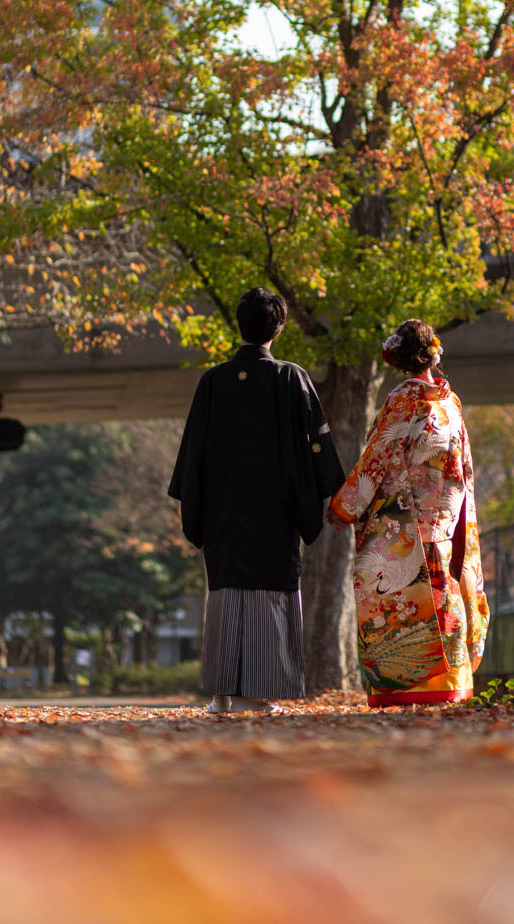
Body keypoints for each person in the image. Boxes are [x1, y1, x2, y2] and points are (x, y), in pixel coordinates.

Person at [168, 287, 345, 713]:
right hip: (276, 510)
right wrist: (331, 488)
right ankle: (258, 695)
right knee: (270, 592)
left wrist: (193, 507)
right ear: (279, 327)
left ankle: (221, 695)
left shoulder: (212, 381)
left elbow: (192, 452)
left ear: (239, 325)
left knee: (226, 594)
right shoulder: (291, 378)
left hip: (223, 513)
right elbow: (317, 444)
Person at [328, 319, 489, 707]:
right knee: (443, 592)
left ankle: (414, 685)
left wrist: (345, 506)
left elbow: (378, 457)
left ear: (399, 359)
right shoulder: (450, 401)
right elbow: (463, 465)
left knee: (405, 596)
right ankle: (451, 682)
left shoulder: (404, 399)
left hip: (406, 517)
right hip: (446, 517)